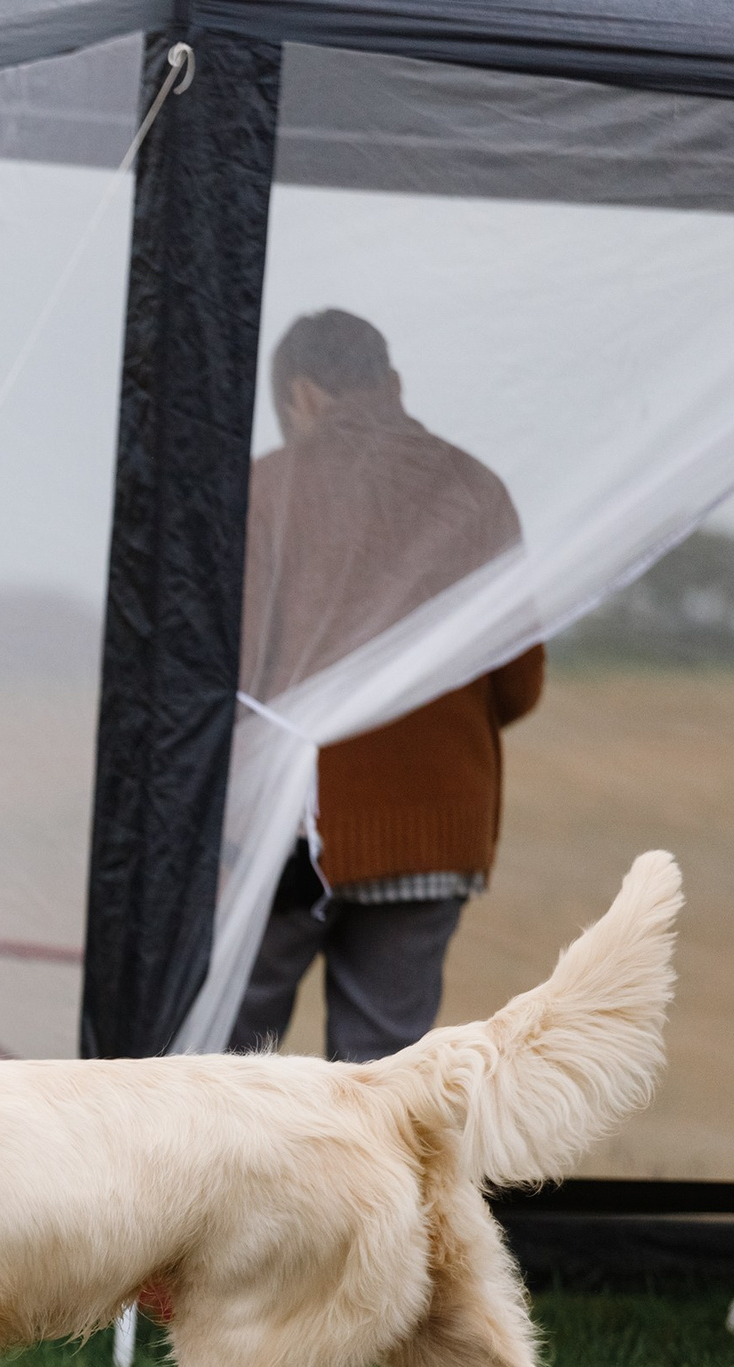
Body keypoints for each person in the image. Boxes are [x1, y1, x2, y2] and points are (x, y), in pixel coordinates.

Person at [228, 309, 544, 1063]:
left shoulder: (266, 492)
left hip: (291, 832)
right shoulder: (476, 488)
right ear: (392, 383)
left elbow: (229, 675)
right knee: (385, 1078)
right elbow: (519, 681)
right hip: (434, 830)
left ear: (299, 394)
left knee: (227, 1069)